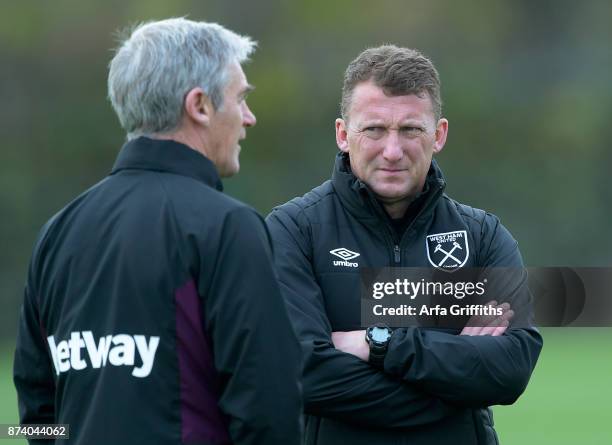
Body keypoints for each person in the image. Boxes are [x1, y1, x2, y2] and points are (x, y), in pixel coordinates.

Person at [14, 18, 302, 445]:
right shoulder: (227, 227)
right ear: (199, 105)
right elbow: (268, 409)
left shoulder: (57, 233)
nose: (249, 118)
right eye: (240, 99)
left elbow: (37, 410)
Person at [266, 45, 542, 444]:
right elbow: (302, 373)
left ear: (439, 134)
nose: (392, 151)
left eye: (411, 130)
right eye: (374, 129)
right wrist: (451, 389)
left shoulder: (482, 235)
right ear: (343, 135)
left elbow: (510, 368)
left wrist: (379, 344)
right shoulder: (294, 230)